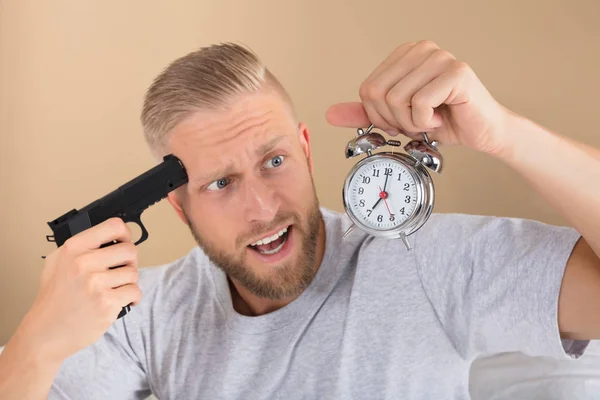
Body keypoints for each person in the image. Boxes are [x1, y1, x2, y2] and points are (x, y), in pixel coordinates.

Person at [0, 40, 599, 399]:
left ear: (308, 150)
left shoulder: (422, 259)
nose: (262, 209)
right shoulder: (145, 319)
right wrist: (34, 346)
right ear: (178, 206)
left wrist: (508, 137)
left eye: (275, 160)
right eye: (220, 183)